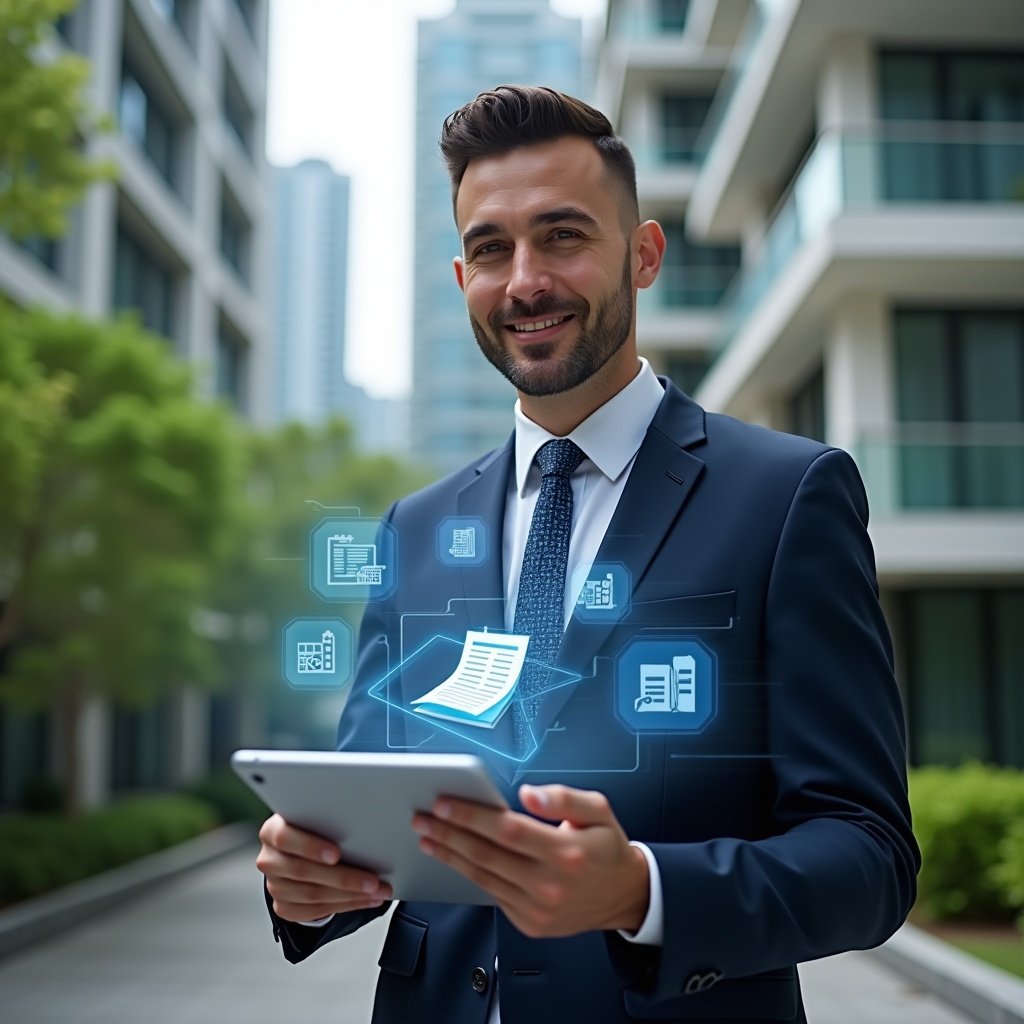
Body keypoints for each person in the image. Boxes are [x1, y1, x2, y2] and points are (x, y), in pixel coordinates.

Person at [256, 85, 919, 1024]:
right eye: (491, 248)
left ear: (643, 255)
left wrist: (640, 891)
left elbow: (869, 857)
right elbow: (368, 813)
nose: (525, 280)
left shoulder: (787, 496)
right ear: (461, 280)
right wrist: (306, 879)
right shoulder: (414, 527)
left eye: (563, 236)